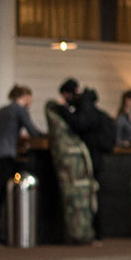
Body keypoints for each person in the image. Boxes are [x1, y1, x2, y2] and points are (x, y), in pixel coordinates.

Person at [0, 84, 44, 245]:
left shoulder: (0, 111)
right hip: (2, 158)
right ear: (25, 96)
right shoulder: (19, 110)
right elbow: (33, 132)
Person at [45, 77, 100, 244]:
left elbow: (78, 125)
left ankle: (83, 233)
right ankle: (85, 232)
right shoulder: (86, 105)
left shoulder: (77, 108)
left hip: (86, 157)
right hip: (85, 157)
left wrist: (63, 108)